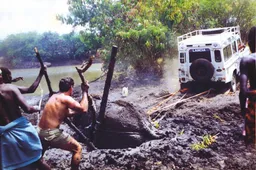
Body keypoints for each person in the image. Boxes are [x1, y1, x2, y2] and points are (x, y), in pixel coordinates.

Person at [0, 67, 50, 170]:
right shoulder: (11, 88)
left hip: (4, 136)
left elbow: (30, 89)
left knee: (12, 166)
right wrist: (36, 108)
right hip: (22, 131)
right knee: (38, 161)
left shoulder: (11, 87)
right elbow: (27, 108)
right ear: (1, 76)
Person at [38, 77, 89, 170]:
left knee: (38, 158)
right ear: (71, 88)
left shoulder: (54, 97)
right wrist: (85, 92)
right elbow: (84, 109)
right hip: (51, 133)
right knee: (78, 148)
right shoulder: (66, 98)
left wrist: (77, 111)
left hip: (40, 132)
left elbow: (67, 113)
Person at [239, 26, 256, 146]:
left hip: (254, 106)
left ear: (249, 43)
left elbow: (243, 92)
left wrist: (243, 111)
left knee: (251, 144)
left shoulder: (246, 60)